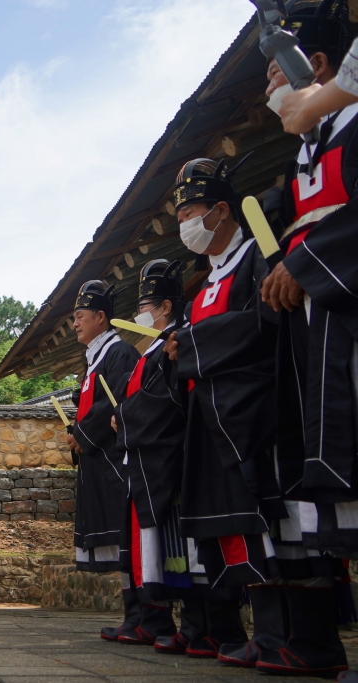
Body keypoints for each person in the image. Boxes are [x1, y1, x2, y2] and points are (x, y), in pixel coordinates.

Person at [249, 2, 355, 674]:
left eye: (272, 78)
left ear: (315, 65)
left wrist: (305, 264)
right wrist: (280, 270)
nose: (268, 93)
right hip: (316, 334)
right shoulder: (304, 157)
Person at [164, 157, 284, 660]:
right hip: (211, 420)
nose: (184, 223)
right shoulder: (204, 285)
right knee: (228, 525)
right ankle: (257, 632)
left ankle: (284, 634)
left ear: (219, 209)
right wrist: (180, 347)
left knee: (268, 525)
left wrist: (190, 344)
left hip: (253, 413)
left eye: (189, 210)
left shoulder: (257, 257)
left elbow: (261, 322)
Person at [112, 260, 244, 657]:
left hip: (183, 455)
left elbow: (161, 402)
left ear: (165, 307)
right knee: (179, 553)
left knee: (197, 546)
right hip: (157, 463)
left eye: (145, 305)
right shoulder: (151, 351)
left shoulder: (177, 342)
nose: (139, 315)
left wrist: (123, 417)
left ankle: (220, 627)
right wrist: (121, 415)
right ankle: (194, 625)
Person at [65, 281, 157, 643]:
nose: (75, 323)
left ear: (101, 317)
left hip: (116, 463)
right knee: (121, 545)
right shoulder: (93, 360)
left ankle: (146, 614)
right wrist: (76, 434)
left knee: (129, 539)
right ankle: (133, 615)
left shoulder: (119, 354)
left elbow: (115, 402)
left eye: (80, 316)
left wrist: (84, 434)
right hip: (99, 463)